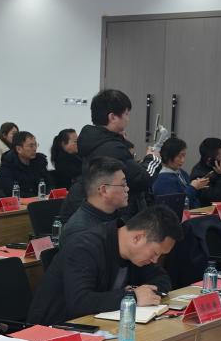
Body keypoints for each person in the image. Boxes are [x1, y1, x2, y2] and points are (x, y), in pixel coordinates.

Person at [27, 206, 179, 325]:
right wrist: (132, 296)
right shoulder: (85, 247)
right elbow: (80, 302)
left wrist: (140, 293)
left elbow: (162, 279)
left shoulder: (136, 255)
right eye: (155, 253)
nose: (155, 260)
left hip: (97, 324)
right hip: (55, 329)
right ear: (138, 238)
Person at [60, 89, 152, 222]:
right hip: (110, 217)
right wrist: (152, 158)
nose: (128, 119)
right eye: (126, 114)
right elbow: (142, 179)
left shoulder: (94, 141)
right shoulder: (112, 147)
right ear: (112, 117)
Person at [59, 157, 128, 246]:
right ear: (104, 190)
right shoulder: (80, 233)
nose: (127, 189)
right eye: (123, 184)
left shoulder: (113, 218)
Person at [151, 138, 210, 205]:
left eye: (184, 156)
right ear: (168, 156)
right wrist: (193, 187)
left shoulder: (181, 172)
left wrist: (198, 187)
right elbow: (176, 204)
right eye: (179, 156)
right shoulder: (162, 179)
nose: (183, 160)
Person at [0, 131, 52, 197]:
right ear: (19, 149)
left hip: (40, 199)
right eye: (31, 146)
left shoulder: (40, 161)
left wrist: (47, 195)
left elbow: (49, 184)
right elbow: (9, 190)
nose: (35, 149)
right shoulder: (8, 164)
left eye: (35, 145)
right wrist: (34, 198)